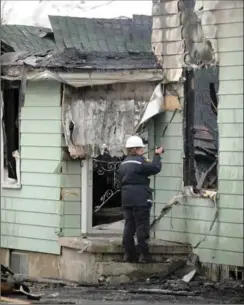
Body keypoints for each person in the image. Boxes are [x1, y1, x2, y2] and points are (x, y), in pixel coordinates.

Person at [118, 135, 164, 263]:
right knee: (141, 226)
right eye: (141, 148)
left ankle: (128, 254)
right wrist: (157, 155)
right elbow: (155, 168)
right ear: (137, 149)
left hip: (126, 198)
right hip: (140, 198)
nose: (143, 150)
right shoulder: (140, 163)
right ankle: (144, 255)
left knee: (129, 226)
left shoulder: (123, 164)